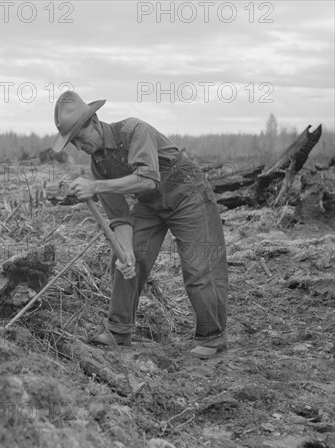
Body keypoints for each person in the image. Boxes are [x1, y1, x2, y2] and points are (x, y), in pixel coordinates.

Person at [51, 91, 228, 358]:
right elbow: (120, 216)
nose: (77, 145)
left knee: (198, 264)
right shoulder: (99, 165)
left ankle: (212, 337)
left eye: (78, 136)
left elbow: (147, 178)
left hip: (188, 193)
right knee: (123, 259)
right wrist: (127, 250)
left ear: (95, 121)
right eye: (71, 141)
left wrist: (96, 187)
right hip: (151, 204)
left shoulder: (135, 130)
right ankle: (119, 331)